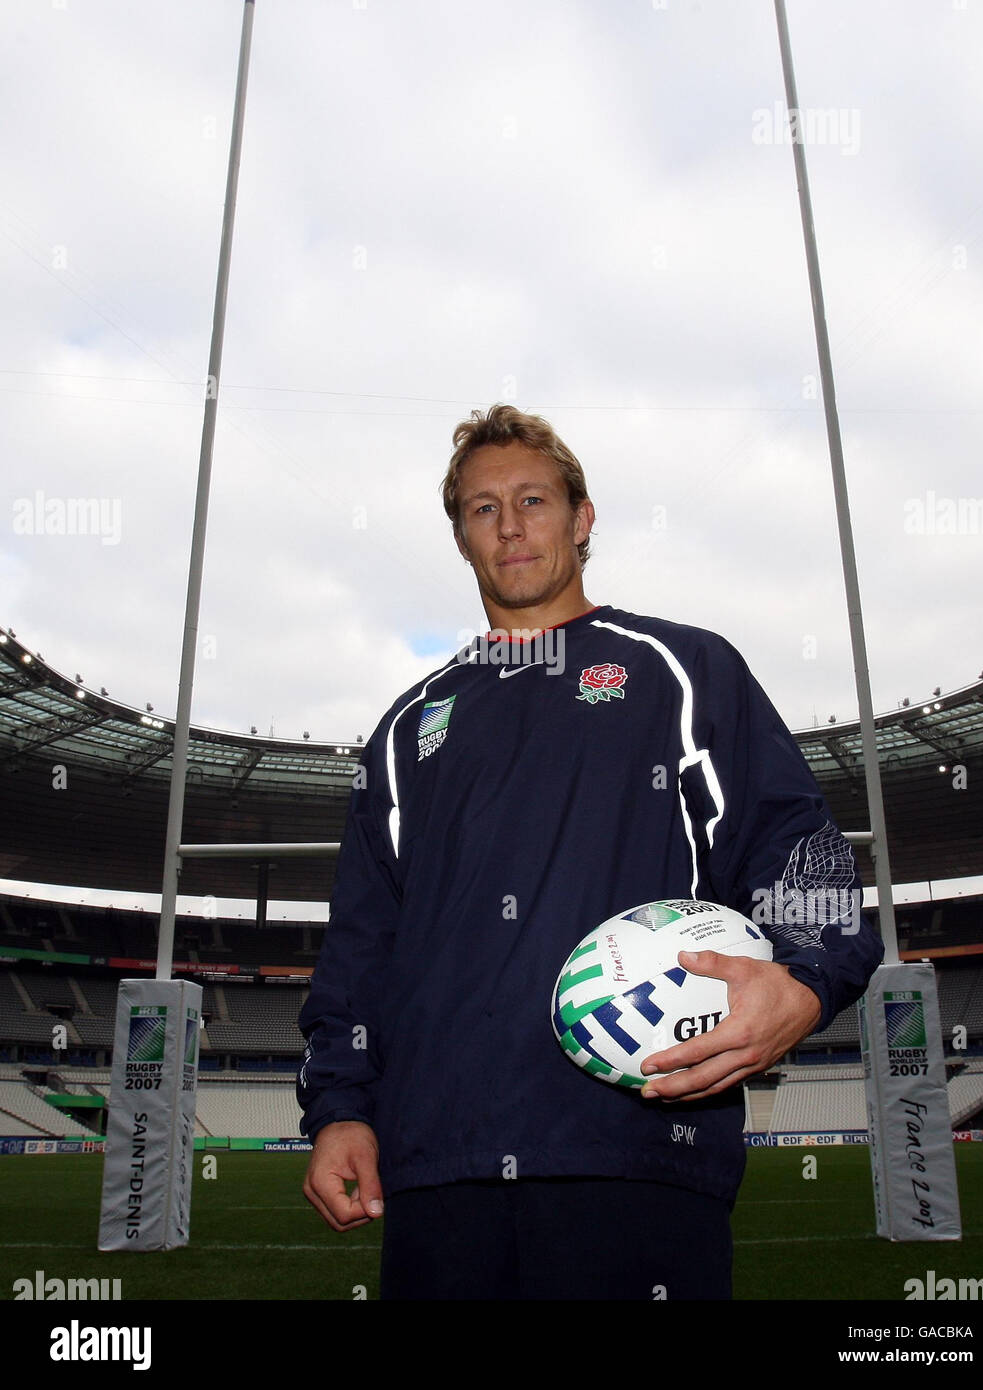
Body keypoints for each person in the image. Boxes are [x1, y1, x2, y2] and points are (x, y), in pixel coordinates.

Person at [297, 403, 883, 1300]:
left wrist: (805, 979)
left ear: (582, 516)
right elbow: (361, 945)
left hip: (633, 1150)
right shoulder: (407, 728)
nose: (510, 524)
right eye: (482, 508)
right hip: (437, 1173)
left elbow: (794, 847)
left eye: (532, 498)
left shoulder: (680, 670)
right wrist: (339, 1105)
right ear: (460, 537)